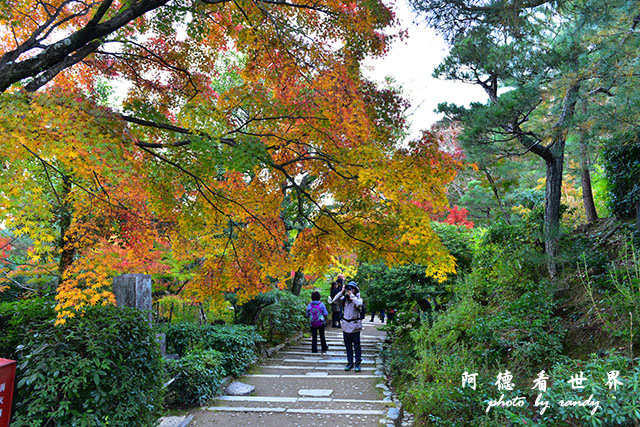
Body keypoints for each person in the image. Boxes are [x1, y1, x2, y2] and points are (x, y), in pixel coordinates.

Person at [331, 280, 363, 372]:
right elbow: (334, 300)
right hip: (346, 326)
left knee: (357, 346)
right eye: (349, 288)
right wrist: (342, 291)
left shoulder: (358, 299)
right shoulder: (344, 300)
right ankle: (350, 362)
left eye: (352, 289)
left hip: (355, 327)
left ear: (356, 290)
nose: (350, 290)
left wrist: (351, 295)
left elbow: (359, 304)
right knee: (348, 346)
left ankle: (357, 363)